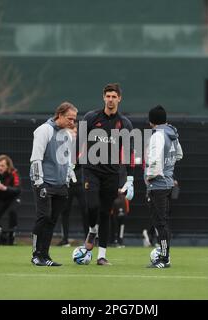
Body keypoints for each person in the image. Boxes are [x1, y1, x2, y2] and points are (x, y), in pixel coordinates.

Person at [81, 83, 135, 266]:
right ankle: (91, 230)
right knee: (92, 206)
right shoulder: (91, 117)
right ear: (103, 97)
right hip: (91, 171)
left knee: (106, 213)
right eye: (108, 96)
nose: (110, 99)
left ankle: (101, 256)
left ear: (119, 98)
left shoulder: (125, 123)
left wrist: (130, 179)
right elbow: (78, 141)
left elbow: (129, 153)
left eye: (114, 96)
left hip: (111, 174)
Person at [30, 102, 77, 266]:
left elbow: (68, 160)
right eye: (70, 119)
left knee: (52, 220)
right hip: (44, 182)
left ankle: (45, 255)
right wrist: (39, 183)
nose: (73, 122)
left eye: (74, 119)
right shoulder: (44, 130)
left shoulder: (68, 135)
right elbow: (36, 158)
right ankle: (36, 254)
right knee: (43, 217)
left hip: (60, 185)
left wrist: (67, 180)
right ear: (60, 115)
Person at [144, 105, 183, 268]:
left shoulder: (158, 135)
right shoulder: (172, 133)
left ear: (151, 121)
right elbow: (179, 154)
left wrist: (148, 177)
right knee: (163, 222)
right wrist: (169, 170)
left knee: (160, 223)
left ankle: (164, 258)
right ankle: (164, 255)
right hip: (168, 183)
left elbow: (155, 161)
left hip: (158, 185)